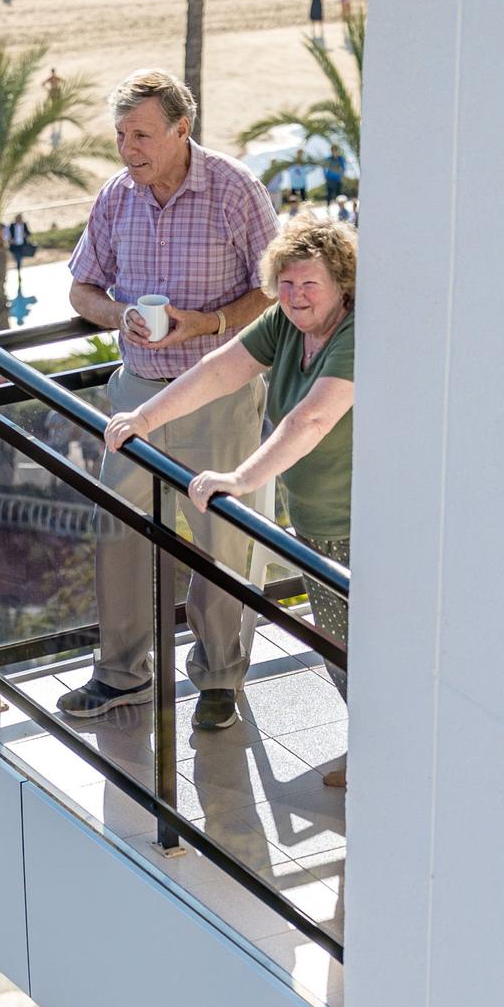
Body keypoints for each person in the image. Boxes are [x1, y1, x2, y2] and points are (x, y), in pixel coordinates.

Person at [64, 68, 278, 728]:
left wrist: (206, 323)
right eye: (122, 134)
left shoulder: (235, 191)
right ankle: (122, 675)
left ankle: (218, 681)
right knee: (118, 531)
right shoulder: (114, 198)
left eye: (142, 135)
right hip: (135, 395)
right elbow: (81, 290)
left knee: (221, 538)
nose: (128, 148)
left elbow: (272, 289)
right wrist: (117, 313)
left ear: (181, 130)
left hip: (217, 391)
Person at [107, 211, 355, 775]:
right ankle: (372, 747)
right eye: (286, 284)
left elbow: (311, 421)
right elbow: (222, 368)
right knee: (338, 647)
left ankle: (390, 757)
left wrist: (241, 479)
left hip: (359, 522)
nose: (296, 296)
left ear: (341, 283)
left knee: (365, 650)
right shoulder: (288, 325)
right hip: (317, 520)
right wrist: (143, 417)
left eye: (310, 283)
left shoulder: (353, 336)